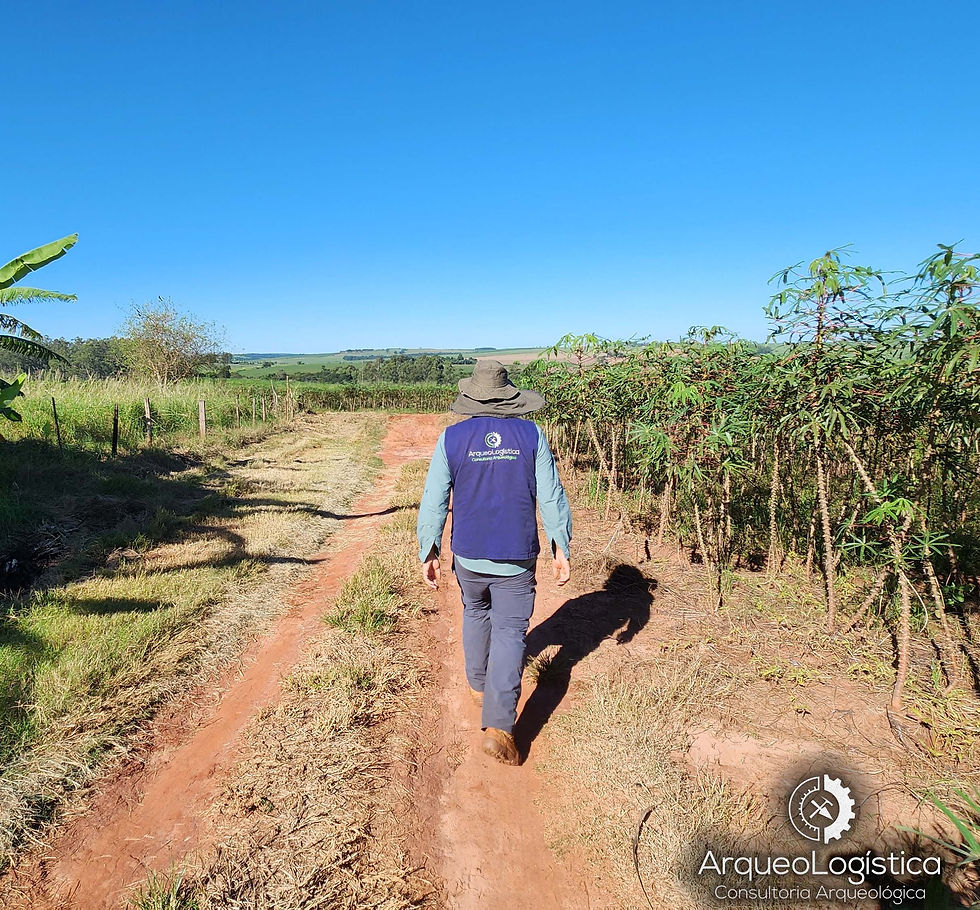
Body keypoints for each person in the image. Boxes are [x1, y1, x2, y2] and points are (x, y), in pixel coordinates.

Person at [417, 360, 572, 766]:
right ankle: (501, 726)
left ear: (471, 398)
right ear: (510, 398)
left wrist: (429, 549)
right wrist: (560, 545)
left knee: (476, 612)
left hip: (468, 553)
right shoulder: (531, 434)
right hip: (516, 556)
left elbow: (434, 498)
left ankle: (479, 685)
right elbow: (551, 495)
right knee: (509, 632)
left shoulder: (451, 438)